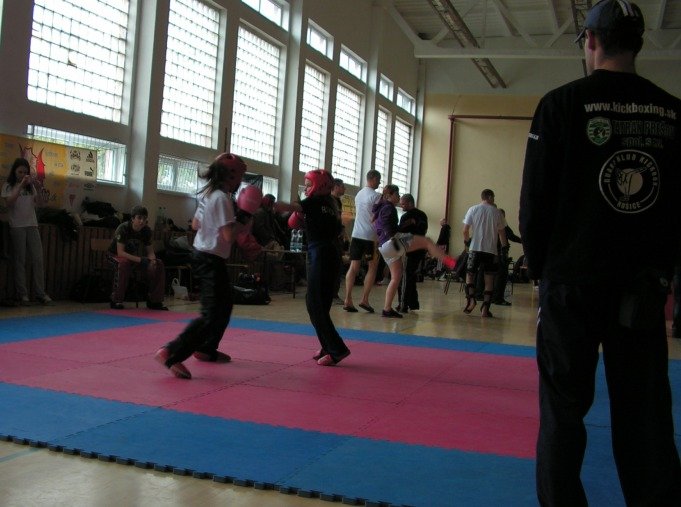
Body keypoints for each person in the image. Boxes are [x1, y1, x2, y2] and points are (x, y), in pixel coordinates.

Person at [519, 1, 681, 505]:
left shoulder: (561, 104)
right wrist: (667, 275)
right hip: (642, 287)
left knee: (563, 411)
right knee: (645, 414)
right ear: (638, 44)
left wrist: (540, 273)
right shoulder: (672, 112)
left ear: (590, 41)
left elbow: (534, 201)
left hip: (572, 283)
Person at [154, 153, 251, 379]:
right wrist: (244, 218)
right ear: (232, 176)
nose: (240, 182)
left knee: (224, 306)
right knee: (211, 314)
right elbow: (228, 236)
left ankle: (206, 349)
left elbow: (196, 224)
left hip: (205, 256)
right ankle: (170, 352)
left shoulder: (210, 195)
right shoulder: (222, 198)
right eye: (240, 177)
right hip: (209, 259)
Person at [277, 169, 350, 365]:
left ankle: (337, 349)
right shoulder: (332, 203)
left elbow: (292, 207)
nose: (306, 189)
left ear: (319, 186)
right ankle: (327, 346)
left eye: (309, 185)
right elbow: (330, 227)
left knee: (314, 303)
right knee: (321, 303)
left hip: (320, 254)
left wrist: (270, 204)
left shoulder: (314, 201)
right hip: (332, 253)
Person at [372, 184, 457, 318]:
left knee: (396, 277)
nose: (399, 197)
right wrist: (395, 235)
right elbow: (389, 228)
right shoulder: (389, 208)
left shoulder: (381, 207)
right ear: (389, 195)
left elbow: (376, 224)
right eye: (397, 194)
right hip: (391, 242)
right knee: (427, 241)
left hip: (384, 247)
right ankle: (452, 263)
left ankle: (387, 309)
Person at [1, 157, 52, 305]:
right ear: (14, 172)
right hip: (17, 226)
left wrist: (39, 188)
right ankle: (23, 294)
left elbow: (41, 204)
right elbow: (9, 203)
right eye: (20, 172)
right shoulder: (8, 186)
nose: (23, 175)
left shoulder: (31, 187)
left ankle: (40, 293)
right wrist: (21, 185)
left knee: (38, 259)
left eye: (25, 172)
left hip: (32, 225)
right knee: (20, 260)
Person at [108, 205, 167, 310]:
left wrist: (153, 261)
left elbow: (150, 252)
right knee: (123, 264)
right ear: (132, 218)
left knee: (159, 264)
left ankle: (154, 300)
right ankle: (116, 300)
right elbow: (120, 253)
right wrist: (140, 260)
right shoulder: (123, 228)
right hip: (114, 256)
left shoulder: (146, 231)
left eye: (144, 219)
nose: (142, 221)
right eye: (139, 218)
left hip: (131, 258)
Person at [462, 189, 508, 318]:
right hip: (491, 251)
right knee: (489, 280)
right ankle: (485, 309)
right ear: (490, 197)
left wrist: (467, 243)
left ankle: (471, 300)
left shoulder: (472, 209)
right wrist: (504, 250)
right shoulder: (497, 212)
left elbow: (465, 230)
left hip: (475, 248)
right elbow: (502, 234)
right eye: (493, 197)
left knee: (470, 275)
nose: (494, 199)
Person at [343, 169, 381, 313]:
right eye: (378, 180)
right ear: (373, 179)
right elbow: (378, 217)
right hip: (370, 236)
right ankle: (364, 299)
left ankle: (347, 299)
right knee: (372, 266)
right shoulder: (376, 196)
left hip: (356, 234)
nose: (379, 183)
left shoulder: (359, 194)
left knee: (353, 267)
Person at [396, 193, 428, 313]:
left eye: (403, 204)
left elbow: (400, 231)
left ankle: (403, 304)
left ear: (410, 203)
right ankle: (413, 303)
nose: (401, 206)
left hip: (410, 250)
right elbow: (423, 231)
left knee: (405, 277)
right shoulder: (422, 215)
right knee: (410, 275)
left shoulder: (406, 216)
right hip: (419, 249)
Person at [491, 208, 522, 306]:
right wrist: (523, 241)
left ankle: (492, 297)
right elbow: (511, 236)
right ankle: (498, 298)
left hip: (491, 253)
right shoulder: (502, 224)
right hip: (501, 253)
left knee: (492, 276)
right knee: (501, 276)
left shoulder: (491, 224)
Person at [331, 178, 347, 305]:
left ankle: (333, 293)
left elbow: (339, 220)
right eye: (342, 186)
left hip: (337, 238)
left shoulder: (338, 202)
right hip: (332, 239)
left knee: (338, 266)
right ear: (336, 187)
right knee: (335, 267)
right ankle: (332, 295)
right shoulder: (331, 201)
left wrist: (343, 231)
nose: (344, 189)